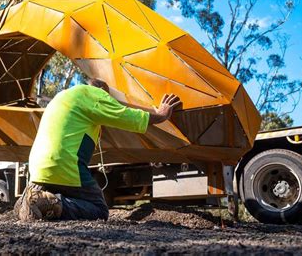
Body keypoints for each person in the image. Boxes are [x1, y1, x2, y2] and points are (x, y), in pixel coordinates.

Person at [15, 78, 181, 221]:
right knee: (99, 209)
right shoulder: (94, 94)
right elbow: (125, 115)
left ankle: (28, 200)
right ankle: (49, 203)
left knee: (68, 193)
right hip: (64, 166)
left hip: (38, 169)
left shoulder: (63, 96)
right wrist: (160, 114)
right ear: (102, 91)